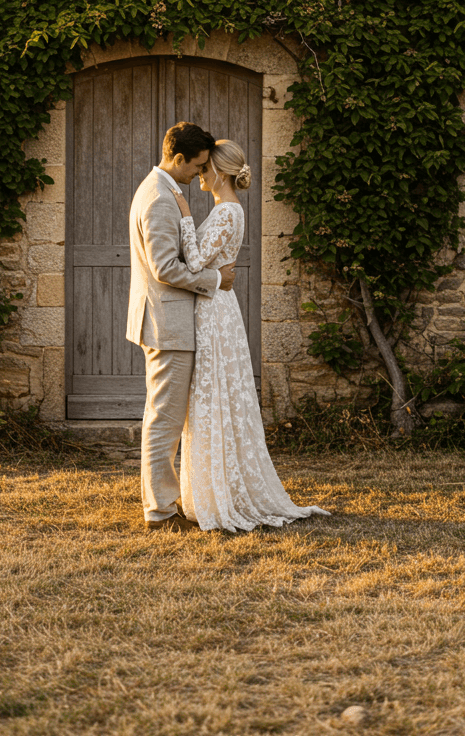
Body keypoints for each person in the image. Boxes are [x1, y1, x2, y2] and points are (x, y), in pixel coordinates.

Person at [175, 139, 331, 532]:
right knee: (210, 396)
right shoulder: (224, 209)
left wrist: (182, 215)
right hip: (213, 304)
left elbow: (194, 261)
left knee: (213, 394)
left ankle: (223, 494)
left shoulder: (227, 212)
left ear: (221, 172)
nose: (200, 176)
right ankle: (209, 489)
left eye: (206, 169)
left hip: (214, 312)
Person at [126, 123, 237, 532]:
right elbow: (164, 267)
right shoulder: (158, 198)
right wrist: (216, 281)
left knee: (167, 417)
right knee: (165, 420)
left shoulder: (163, 192)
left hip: (169, 320)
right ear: (177, 160)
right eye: (197, 165)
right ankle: (159, 511)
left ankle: (165, 503)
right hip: (166, 323)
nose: (200, 174)